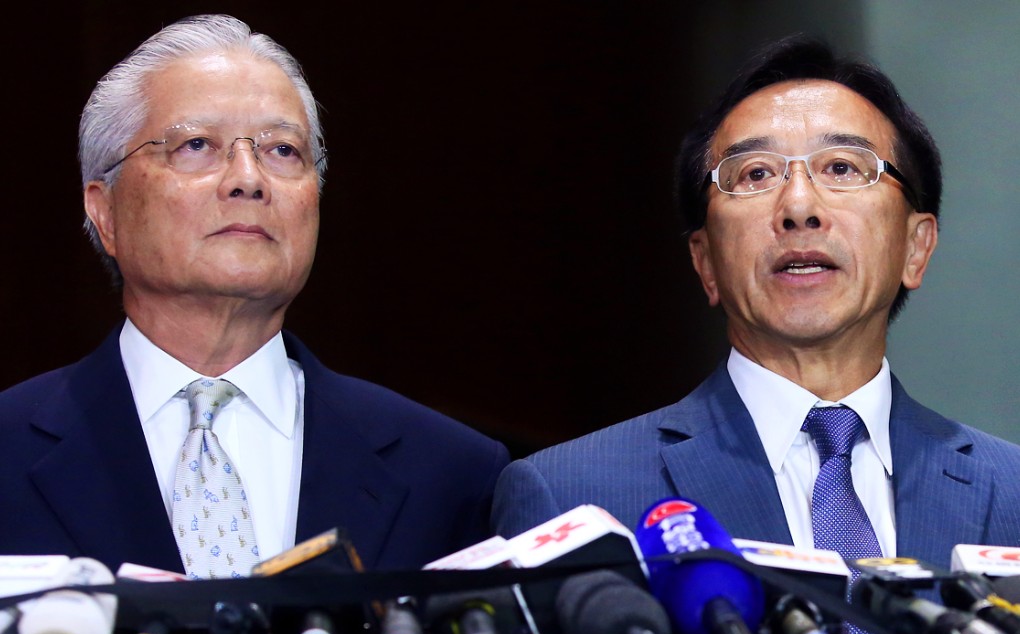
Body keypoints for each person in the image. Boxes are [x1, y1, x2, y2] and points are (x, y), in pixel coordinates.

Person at [0, 14, 508, 579]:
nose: (249, 178)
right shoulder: (8, 450)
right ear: (105, 211)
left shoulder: (451, 474)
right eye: (196, 144)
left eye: (282, 150)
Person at [491, 35, 1020, 571]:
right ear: (705, 262)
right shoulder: (573, 497)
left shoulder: (1011, 490)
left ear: (915, 247)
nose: (798, 206)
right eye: (756, 174)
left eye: (842, 167)